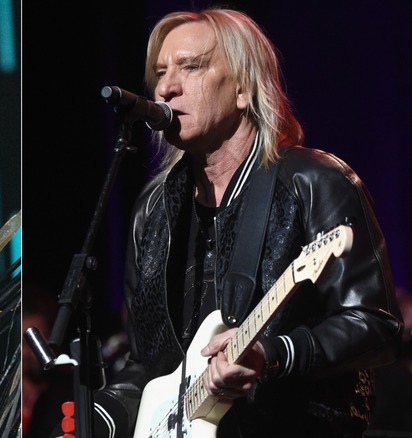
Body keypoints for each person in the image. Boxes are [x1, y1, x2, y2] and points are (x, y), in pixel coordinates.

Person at [83, 7, 404, 438]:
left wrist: (273, 355)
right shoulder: (153, 210)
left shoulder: (314, 181)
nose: (165, 87)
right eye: (159, 72)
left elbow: (376, 324)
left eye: (190, 66)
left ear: (242, 89)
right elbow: (148, 363)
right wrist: (98, 416)